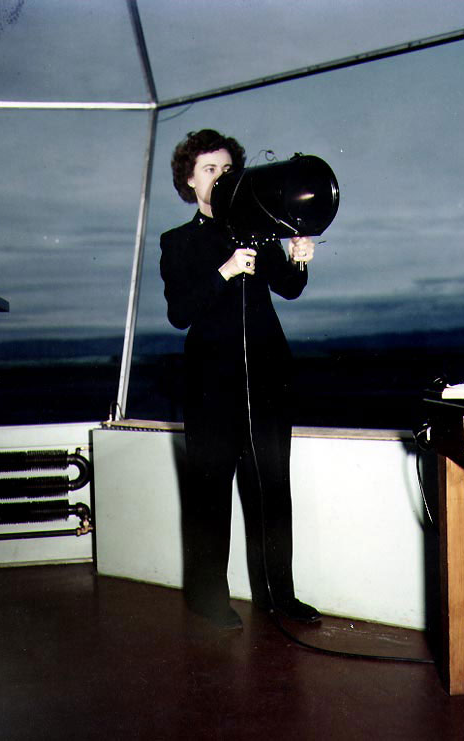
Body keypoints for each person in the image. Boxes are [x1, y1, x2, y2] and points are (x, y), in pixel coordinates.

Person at [160, 129, 320, 630]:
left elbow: (289, 289)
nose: (221, 176)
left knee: (273, 492)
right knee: (211, 497)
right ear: (189, 183)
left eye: (228, 169)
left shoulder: (256, 230)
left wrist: (298, 256)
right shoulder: (178, 242)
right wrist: (224, 272)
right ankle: (209, 599)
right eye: (210, 169)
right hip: (211, 390)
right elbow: (179, 312)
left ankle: (280, 597)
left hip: (268, 383)